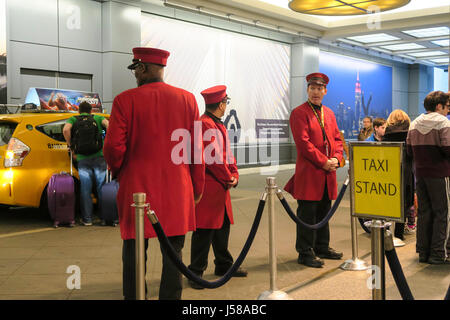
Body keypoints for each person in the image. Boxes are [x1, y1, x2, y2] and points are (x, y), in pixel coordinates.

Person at [103, 47, 205, 299]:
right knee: (174, 255)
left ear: (144, 68)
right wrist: (197, 187)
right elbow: (196, 151)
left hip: (137, 192)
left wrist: (119, 171)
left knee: (135, 253)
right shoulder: (188, 100)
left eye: (136, 69)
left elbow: (113, 148)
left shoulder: (125, 100)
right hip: (177, 190)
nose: (135, 75)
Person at [188, 85, 247, 290]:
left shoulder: (214, 124)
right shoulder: (206, 124)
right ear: (221, 104)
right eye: (225, 103)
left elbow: (227, 156)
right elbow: (213, 158)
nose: (225, 106)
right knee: (204, 231)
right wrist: (228, 176)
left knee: (222, 227)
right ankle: (195, 272)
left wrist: (234, 174)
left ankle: (224, 265)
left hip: (218, 186)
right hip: (210, 186)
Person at [284, 72, 344, 268]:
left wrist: (336, 158)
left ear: (325, 91)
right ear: (308, 90)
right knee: (307, 214)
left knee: (324, 211)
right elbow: (303, 144)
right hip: (310, 173)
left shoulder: (330, 113)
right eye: (312, 88)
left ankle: (321, 246)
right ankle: (305, 251)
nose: (316, 92)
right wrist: (324, 161)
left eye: (319, 89)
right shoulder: (299, 112)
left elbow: (337, 139)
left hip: (328, 173)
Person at [406, 90, 450, 264]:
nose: (448, 111)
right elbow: (448, 149)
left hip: (421, 175)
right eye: (447, 107)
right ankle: (439, 253)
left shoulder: (414, 123)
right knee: (443, 213)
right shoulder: (443, 123)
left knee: (424, 213)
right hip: (440, 174)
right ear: (438, 106)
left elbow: (409, 150)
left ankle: (423, 252)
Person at [63, 101, 109, 226]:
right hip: (99, 157)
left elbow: (66, 130)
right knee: (101, 188)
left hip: (82, 158)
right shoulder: (98, 118)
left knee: (85, 189)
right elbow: (109, 126)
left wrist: (71, 146)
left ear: (79, 110)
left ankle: (87, 219)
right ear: (91, 110)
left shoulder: (73, 119)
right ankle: (105, 218)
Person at [382, 109, 415, 240]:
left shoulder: (387, 133)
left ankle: (386, 234)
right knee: (404, 203)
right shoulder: (409, 132)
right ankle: (399, 234)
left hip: (390, 171)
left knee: (389, 202)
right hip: (406, 171)